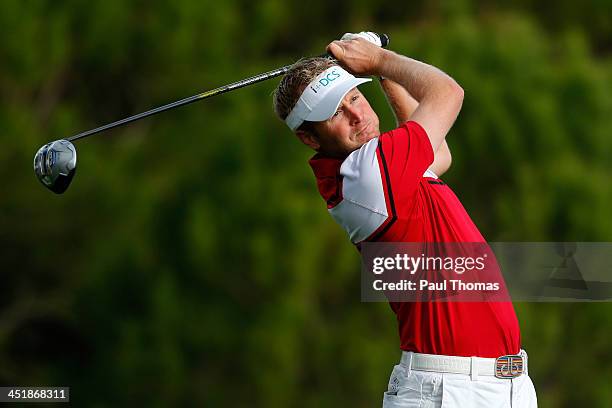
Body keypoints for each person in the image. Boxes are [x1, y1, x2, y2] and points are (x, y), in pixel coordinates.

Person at [272, 32, 537, 407]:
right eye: (335, 113)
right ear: (309, 138)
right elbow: (448, 93)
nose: (358, 115)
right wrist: (380, 60)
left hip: (501, 386)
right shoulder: (368, 175)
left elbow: (438, 155)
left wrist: (383, 74)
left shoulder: (378, 169)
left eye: (355, 97)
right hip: (447, 390)